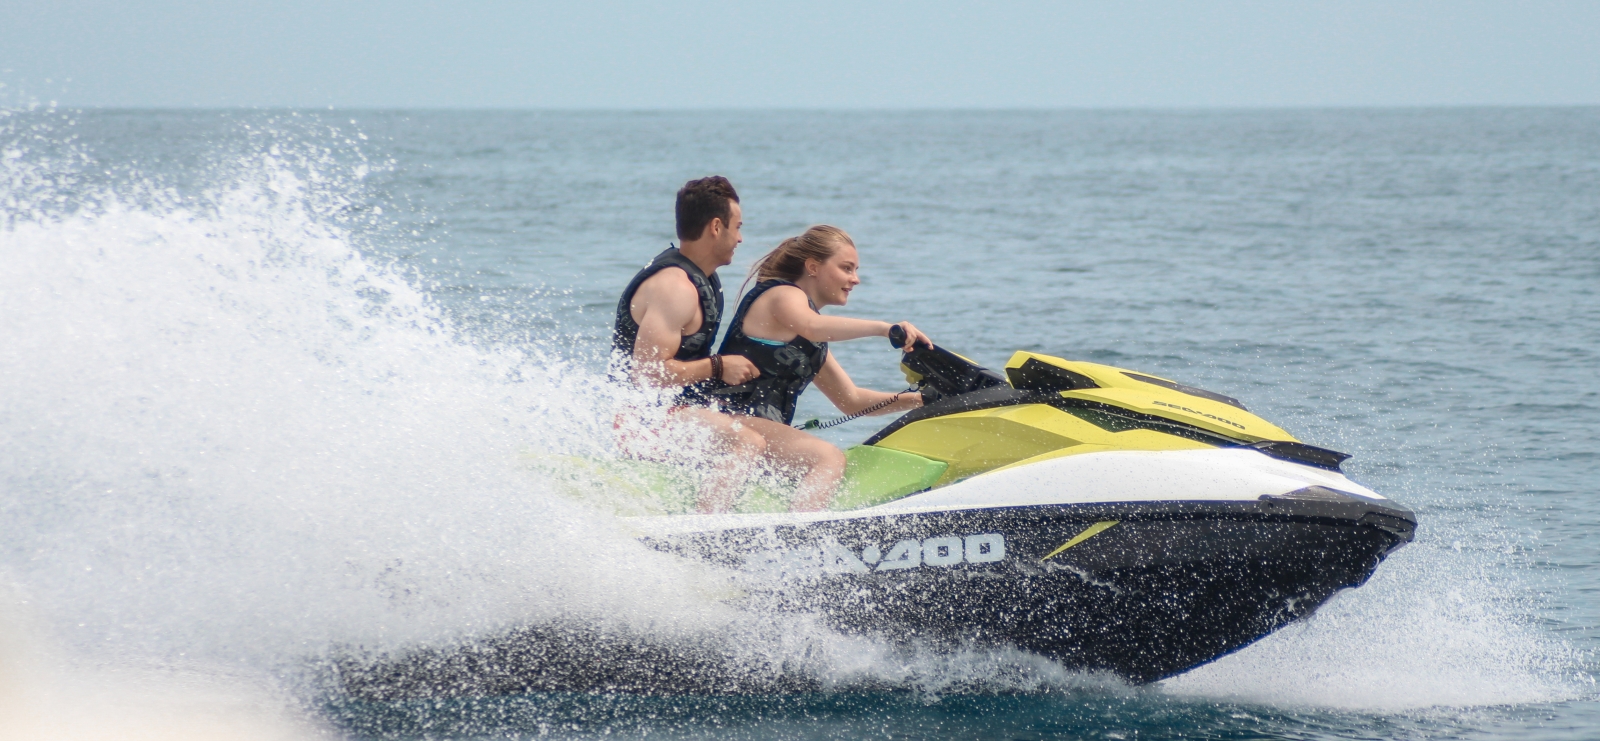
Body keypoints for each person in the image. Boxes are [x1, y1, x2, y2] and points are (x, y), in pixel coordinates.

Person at [710, 225, 932, 512]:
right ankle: (802, 541)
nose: (856, 279)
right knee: (827, 457)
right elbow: (813, 326)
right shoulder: (781, 295)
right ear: (813, 267)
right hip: (729, 421)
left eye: (855, 270)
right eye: (846, 268)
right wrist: (885, 329)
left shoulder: (810, 342)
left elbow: (850, 400)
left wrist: (922, 399)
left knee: (832, 460)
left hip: (759, 428)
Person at [612, 176, 763, 511]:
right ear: (715, 227)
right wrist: (720, 367)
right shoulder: (675, 287)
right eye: (737, 227)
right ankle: (703, 536)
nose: (740, 238)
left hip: (675, 411)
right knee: (745, 442)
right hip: (639, 418)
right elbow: (648, 375)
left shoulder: (701, 277)